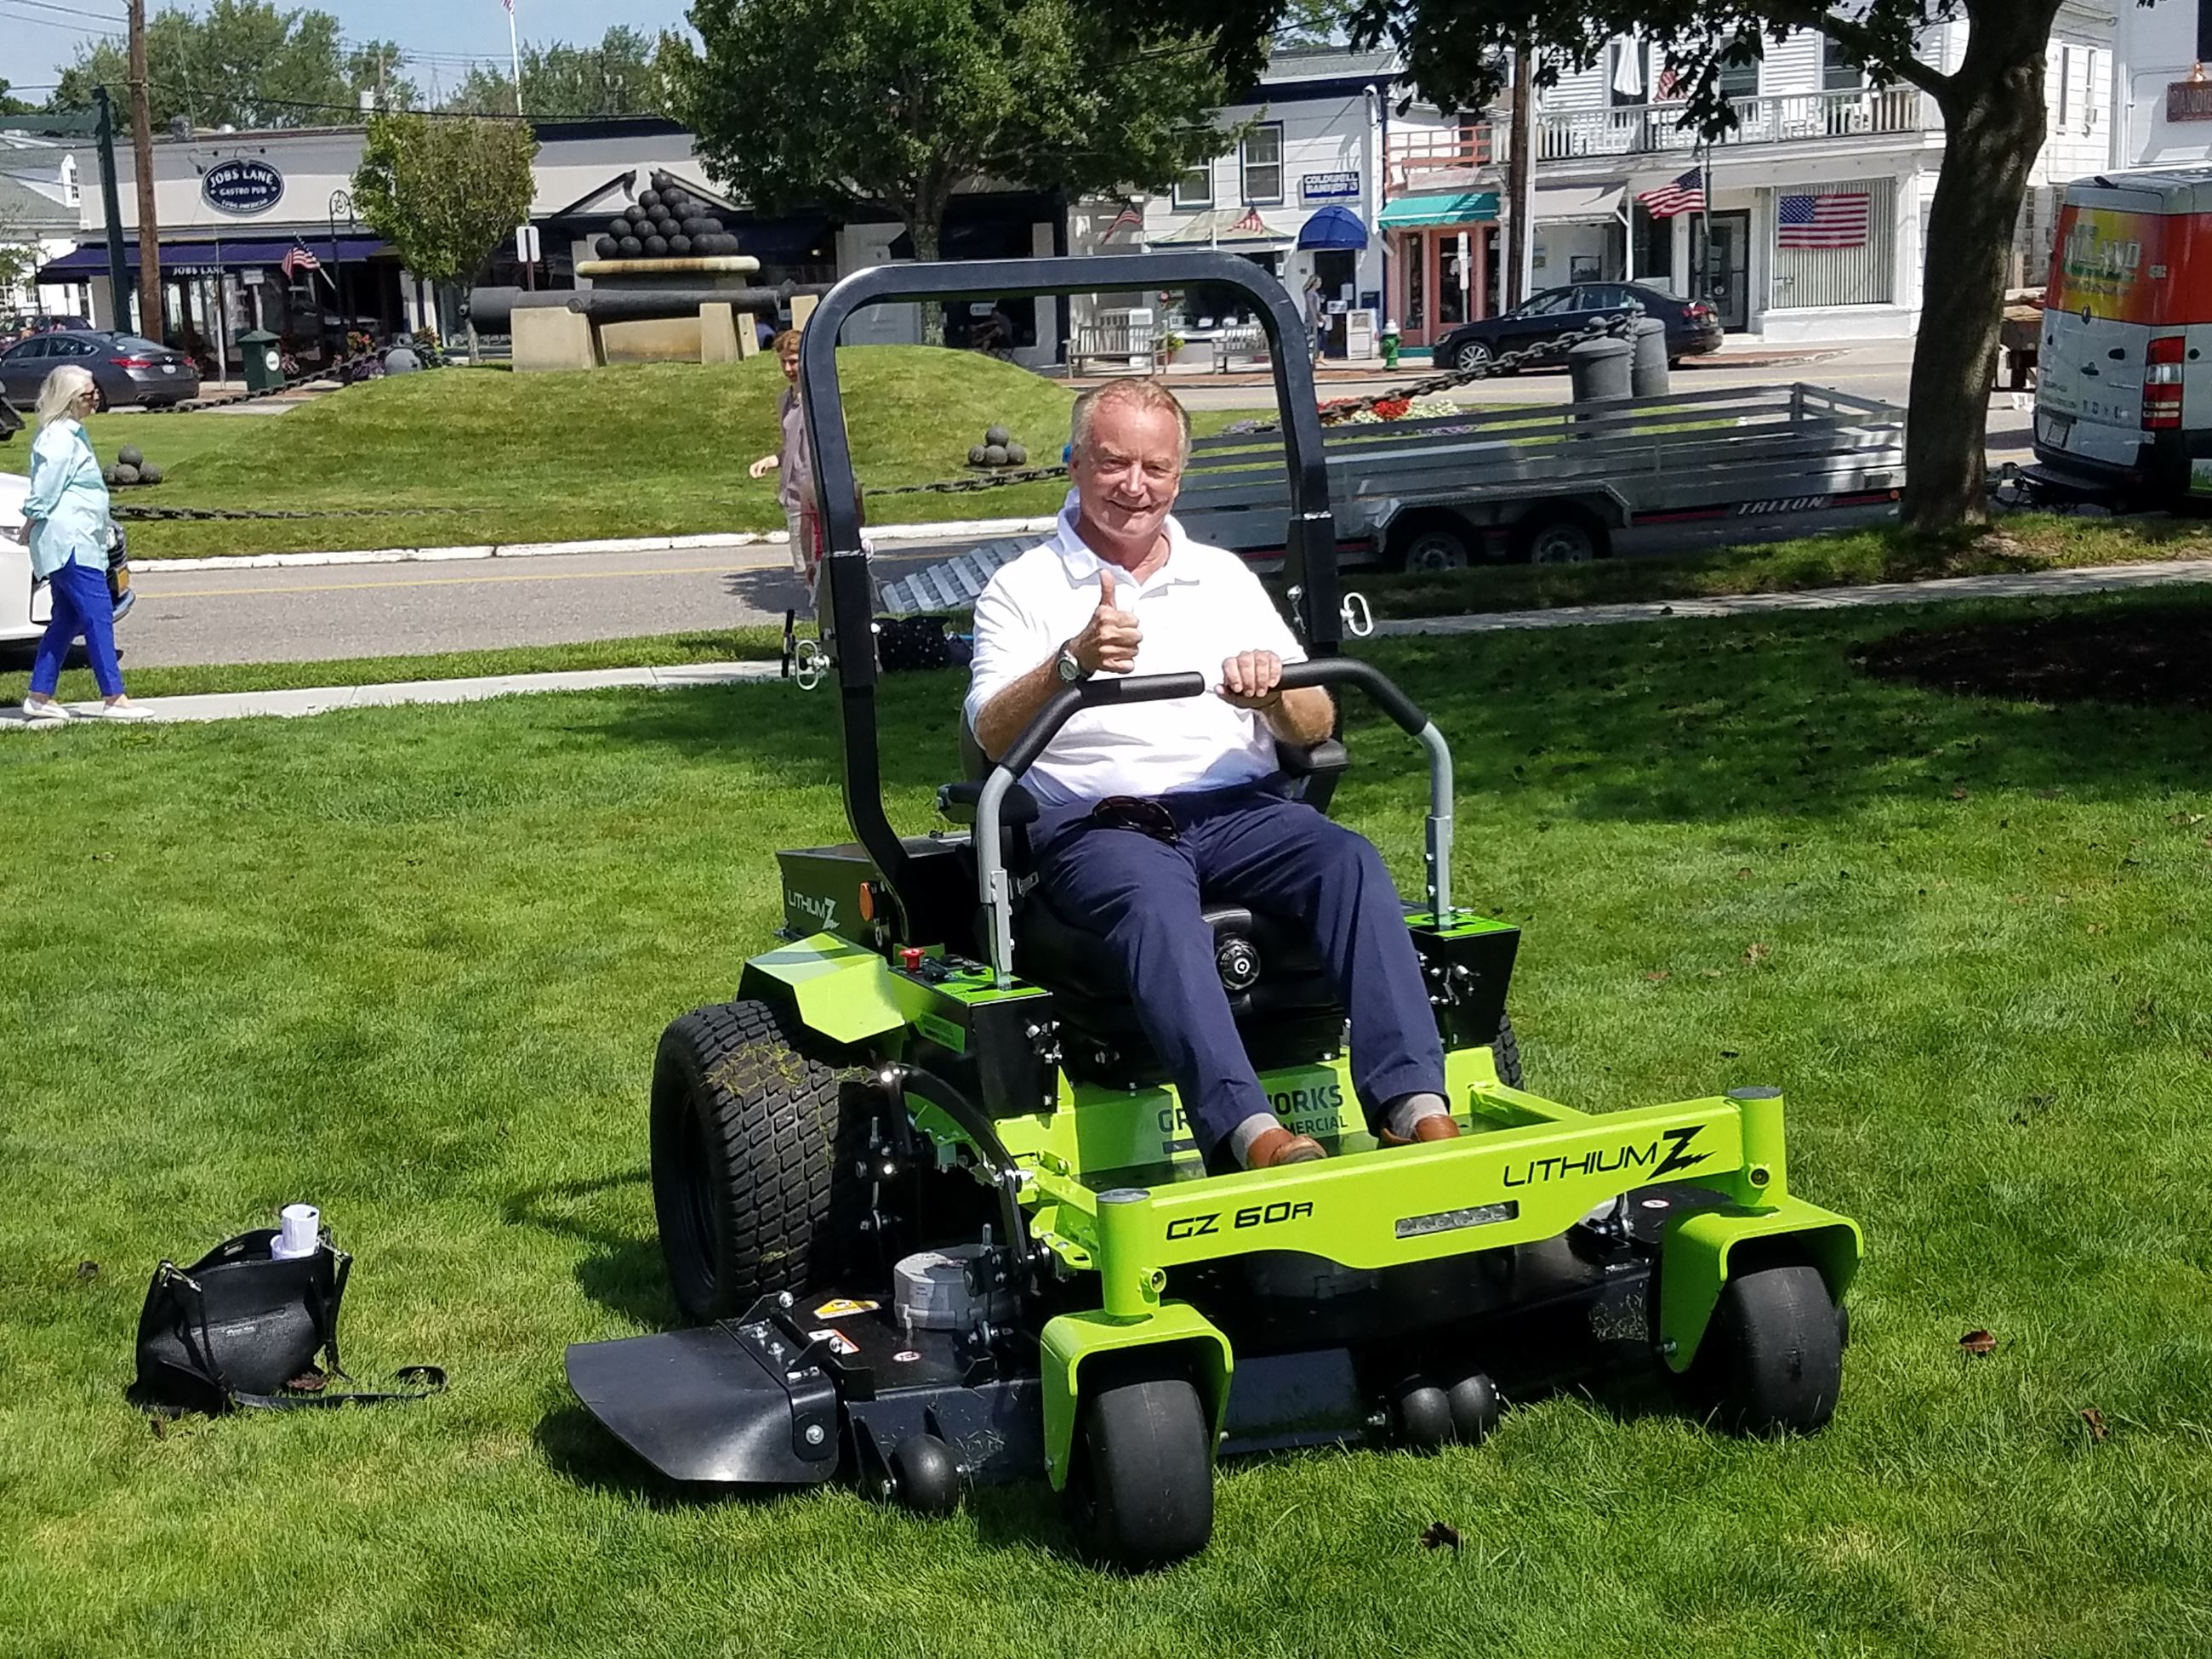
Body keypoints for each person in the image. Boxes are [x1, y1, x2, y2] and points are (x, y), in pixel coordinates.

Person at [965, 379, 1452, 1172]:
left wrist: (1278, 695)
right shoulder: (1021, 588)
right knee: (1156, 901)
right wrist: (1071, 663)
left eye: (1156, 468)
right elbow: (991, 732)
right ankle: (1246, 1128)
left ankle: (1412, 1102)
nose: (1135, 486)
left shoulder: (1223, 577)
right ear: (1075, 463)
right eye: (1114, 462)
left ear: (1179, 476)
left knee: (1348, 860)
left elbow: (1317, 725)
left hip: (1238, 808)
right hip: (1101, 822)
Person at [14, 364, 147, 721]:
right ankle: (114, 697)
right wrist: (29, 524)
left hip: (81, 538)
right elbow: (45, 488)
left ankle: (39, 695)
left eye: (94, 393)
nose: (95, 399)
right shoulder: (58, 438)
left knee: (67, 617)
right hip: (68, 541)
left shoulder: (72, 434)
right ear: (70, 399)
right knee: (98, 614)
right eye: (88, 394)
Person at [748, 327, 819, 605]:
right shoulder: (785, 401)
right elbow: (791, 447)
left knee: (824, 568)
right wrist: (771, 460)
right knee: (806, 570)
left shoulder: (818, 399)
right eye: (783, 362)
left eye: (794, 361)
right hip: (793, 497)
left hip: (817, 499)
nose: (788, 368)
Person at [1303, 274, 1327, 365]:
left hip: (1316, 317)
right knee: (1313, 338)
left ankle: (1319, 357)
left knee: (1322, 336)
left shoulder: (1314, 293)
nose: (1320, 283)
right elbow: (1311, 308)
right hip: (1312, 319)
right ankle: (1314, 358)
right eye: (1319, 282)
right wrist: (1316, 319)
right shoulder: (1310, 293)